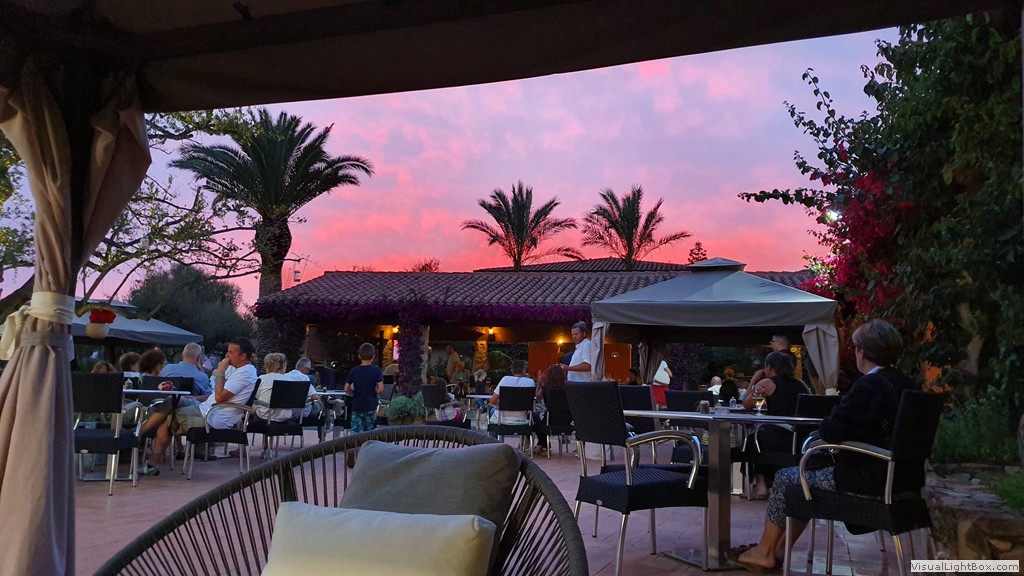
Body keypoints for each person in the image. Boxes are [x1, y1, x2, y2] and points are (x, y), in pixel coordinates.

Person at [733, 319, 916, 572]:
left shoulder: (870, 385)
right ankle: (778, 550)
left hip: (865, 480)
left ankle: (764, 552)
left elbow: (833, 430)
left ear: (862, 352)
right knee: (803, 480)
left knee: (788, 478)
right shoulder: (907, 384)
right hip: (901, 480)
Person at [136, 337, 258, 475]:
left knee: (169, 418)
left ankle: (148, 459)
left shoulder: (245, 374)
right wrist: (195, 398)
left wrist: (220, 372)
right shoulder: (240, 371)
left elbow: (220, 397)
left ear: (243, 356)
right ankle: (139, 433)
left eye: (231, 352)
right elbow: (215, 395)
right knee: (172, 400)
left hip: (212, 416)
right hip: (205, 407)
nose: (226, 355)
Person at [742, 351, 811, 497]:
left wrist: (754, 379)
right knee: (761, 436)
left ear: (769, 367)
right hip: (800, 439)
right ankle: (770, 482)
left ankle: (760, 484)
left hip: (779, 435)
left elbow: (747, 404)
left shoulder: (767, 383)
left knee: (752, 439)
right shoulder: (801, 384)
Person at [345, 342, 384, 433]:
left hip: (357, 404)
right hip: (371, 404)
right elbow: (381, 388)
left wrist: (353, 392)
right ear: (373, 356)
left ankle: (357, 443)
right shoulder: (376, 370)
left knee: (356, 432)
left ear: (359, 356)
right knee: (370, 432)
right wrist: (374, 393)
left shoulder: (354, 370)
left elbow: (346, 388)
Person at [533, 364, 568, 455]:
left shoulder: (546, 387)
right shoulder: (568, 387)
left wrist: (539, 382)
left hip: (550, 418)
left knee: (533, 418)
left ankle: (543, 444)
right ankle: (542, 445)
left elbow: (537, 397)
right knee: (540, 421)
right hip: (567, 419)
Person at [488, 359, 536, 426]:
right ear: (524, 370)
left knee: (491, 410)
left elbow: (492, 401)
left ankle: (493, 432)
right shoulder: (530, 382)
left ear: (512, 370)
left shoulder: (505, 379)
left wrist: (504, 402)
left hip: (501, 420)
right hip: (521, 420)